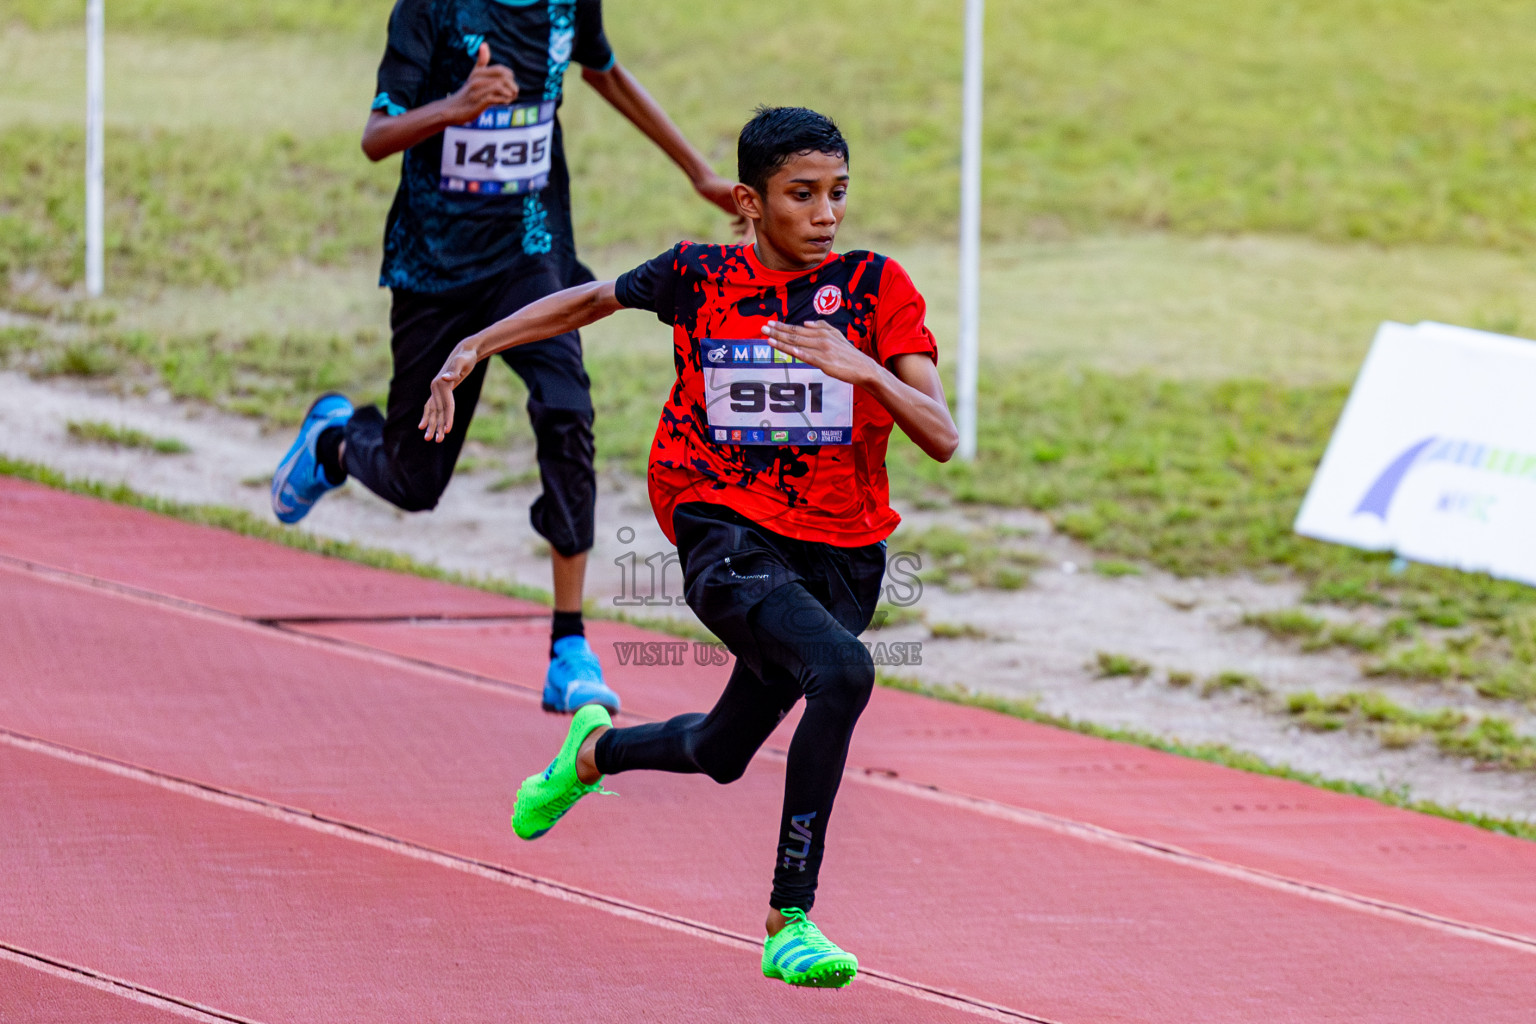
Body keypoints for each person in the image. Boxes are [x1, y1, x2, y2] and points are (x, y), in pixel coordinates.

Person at [420, 106, 958, 988]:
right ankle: (792, 919)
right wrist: (473, 345)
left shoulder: (875, 289)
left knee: (721, 751)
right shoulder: (698, 276)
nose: (826, 214)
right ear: (750, 201)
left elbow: (940, 434)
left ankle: (591, 753)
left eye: (838, 194)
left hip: (844, 556)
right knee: (846, 675)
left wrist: (859, 368)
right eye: (802, 196)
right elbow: (589, 300)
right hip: (724, 532)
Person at [269, 0, 744, 715]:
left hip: (531, 248)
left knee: (567, 410)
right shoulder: (430, 10)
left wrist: (698, 172)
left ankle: (568, 645)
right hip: (436, 266)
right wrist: (456, 106)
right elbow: (376, 136)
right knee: (413, 480)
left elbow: (604, 71)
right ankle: (336, 442)